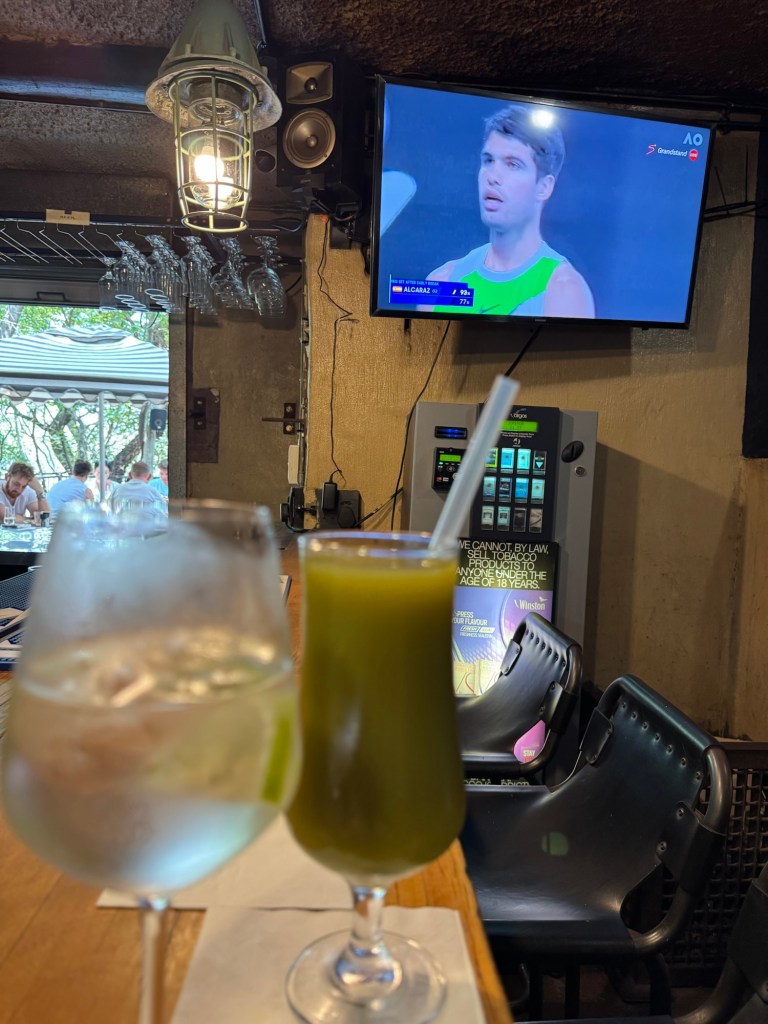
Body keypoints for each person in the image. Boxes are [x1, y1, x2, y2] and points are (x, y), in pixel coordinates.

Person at [425, 105, 595, 318]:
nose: (492, 176)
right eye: (488, 160)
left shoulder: (564, 290)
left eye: (513, 164)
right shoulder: (441, 282)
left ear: (544, 187)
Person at [110, 460, 167, 528]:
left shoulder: (116, 490)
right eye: (161, 474)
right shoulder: (153, 492)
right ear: (149, 476)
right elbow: (162, 516)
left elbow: (109, 512)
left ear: (130, 475)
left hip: (121, 530)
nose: (164, 477)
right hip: (147, 531)